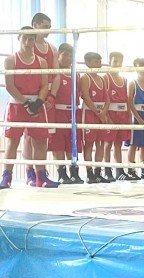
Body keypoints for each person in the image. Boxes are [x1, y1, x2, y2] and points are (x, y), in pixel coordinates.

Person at [1, 26, 58, 189]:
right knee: (12, 142)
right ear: (19, 38)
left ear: (35, 40)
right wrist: (26, 104)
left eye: (31, 38)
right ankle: (6, 177)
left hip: (37, 104)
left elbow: (45, 85)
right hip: (17, 104)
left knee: (40, 141)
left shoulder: (42, 62)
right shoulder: (11, 60)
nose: (27, 42)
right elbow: (9, 86)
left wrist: (38, 102)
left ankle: (41, 177)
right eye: (24, 38)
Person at [48, 43, 84, 184]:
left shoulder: (76, 74)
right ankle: (62, 174)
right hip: (58, 112)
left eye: (71, 56)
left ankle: (74, 173)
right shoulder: (54, 73)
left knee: (72, 143)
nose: (68, 58)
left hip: (73, 112)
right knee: (58, 145)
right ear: (58, 55)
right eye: (65, 55)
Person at [30, 13, 58, 186]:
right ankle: (30, 173)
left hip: (46, 95)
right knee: (28, 137)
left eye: (49, 27)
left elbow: (56, 74)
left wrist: (52, 95)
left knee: (41, 136)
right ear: (35, 25)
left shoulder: (52, 49)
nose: (48, 30)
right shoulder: (27, 46)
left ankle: (40, 174)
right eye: (45, 26)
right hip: (30, 95)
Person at [79, 51, 111, 183]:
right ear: (87, 63)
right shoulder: (85, 78)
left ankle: (98, 172)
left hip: (101, 112)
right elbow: (86, 97)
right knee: (89, 143)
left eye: (100, 61)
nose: (98, 64)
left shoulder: (102, 79)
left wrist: (104, 111)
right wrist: (98, 112)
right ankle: (89, 173)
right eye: (95, 61)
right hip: (89, 113)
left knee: (100, 143)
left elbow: (107, 98)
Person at [106, 51, 132, 181]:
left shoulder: (124, 79)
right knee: (108, 143)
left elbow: (127, 100)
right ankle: (106, 170)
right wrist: (106, 117)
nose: (118, 64)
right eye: (115, 61)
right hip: (110, 113)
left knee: (118, 144)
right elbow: (104, 99)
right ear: (109, 61)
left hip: (122, 114)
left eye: (120, 61)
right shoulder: (106, 78)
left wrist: (128, 116)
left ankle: (119, 170)